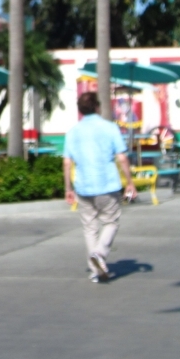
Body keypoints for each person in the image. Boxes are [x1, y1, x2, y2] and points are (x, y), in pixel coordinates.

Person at [63, 91, 138, 283]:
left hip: (84, 186)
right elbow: (121, 157)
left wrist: (68, 188)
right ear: (97, 106)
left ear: (80, 110)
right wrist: (130, 182)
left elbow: (66, 162)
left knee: (90, 228)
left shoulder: (72, 132)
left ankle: (96, 269)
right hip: (107, 184)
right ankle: (99, 253)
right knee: (111, 222)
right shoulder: (110, 127)